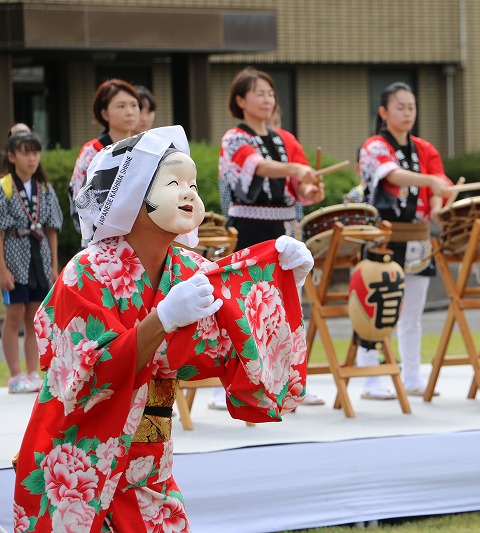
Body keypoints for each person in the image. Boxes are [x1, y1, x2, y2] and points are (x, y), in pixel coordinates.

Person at [12, 126, 312, 531]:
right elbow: (85, 376)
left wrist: (284, 284)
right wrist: (162, 320)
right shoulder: (84, 273)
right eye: (174, 182)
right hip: (78, 459)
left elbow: (232, 339)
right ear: (131, 195)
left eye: (192, 183)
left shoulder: (188, 270)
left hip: (148, 464)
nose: (190, 192)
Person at [216, 67, 325, 407]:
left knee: (289, 304)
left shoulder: (286, 140)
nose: (266, 99)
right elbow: (256, 166)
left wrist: (310, 188)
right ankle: (236, 384)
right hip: (248, 229)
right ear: (240, 100)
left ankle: (291, 381)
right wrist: (295, 170)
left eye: (270, 93)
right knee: (245, 305)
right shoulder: (234, 138)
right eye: (258, 93)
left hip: (285, 230)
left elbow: (301, 186)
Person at [357, 82, 453, 399]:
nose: (408, 112)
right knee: (376, 311)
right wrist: (432, 182)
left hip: (418, 239)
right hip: (384, 241)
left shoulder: (426, 149)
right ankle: (371, 379)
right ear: (384, 112)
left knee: (412, 314)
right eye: (400, 106)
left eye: (411, 106)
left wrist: (440, 206)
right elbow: (391, 175)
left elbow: (441, 187)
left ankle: (412, 376)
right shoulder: (374, 146)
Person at [0, 131, 63, 394]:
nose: (32, 158)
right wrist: (2, 269)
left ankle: (32, 373)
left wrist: (54, 265)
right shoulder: (4, 187)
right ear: (12, 156)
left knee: (35, 317)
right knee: (14, 315)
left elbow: (51, 229)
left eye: (35, 152)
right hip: (15, 256)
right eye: (25, 153)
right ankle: (14, 374)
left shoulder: (44, 188)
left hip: (40, 256)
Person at [69, 79, 140, 234]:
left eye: (134, 105)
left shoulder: (144, 149)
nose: (130, 111)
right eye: (121, 106)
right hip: (100, 239)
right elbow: (79, 200)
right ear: (104, 113)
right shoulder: (92, 152)